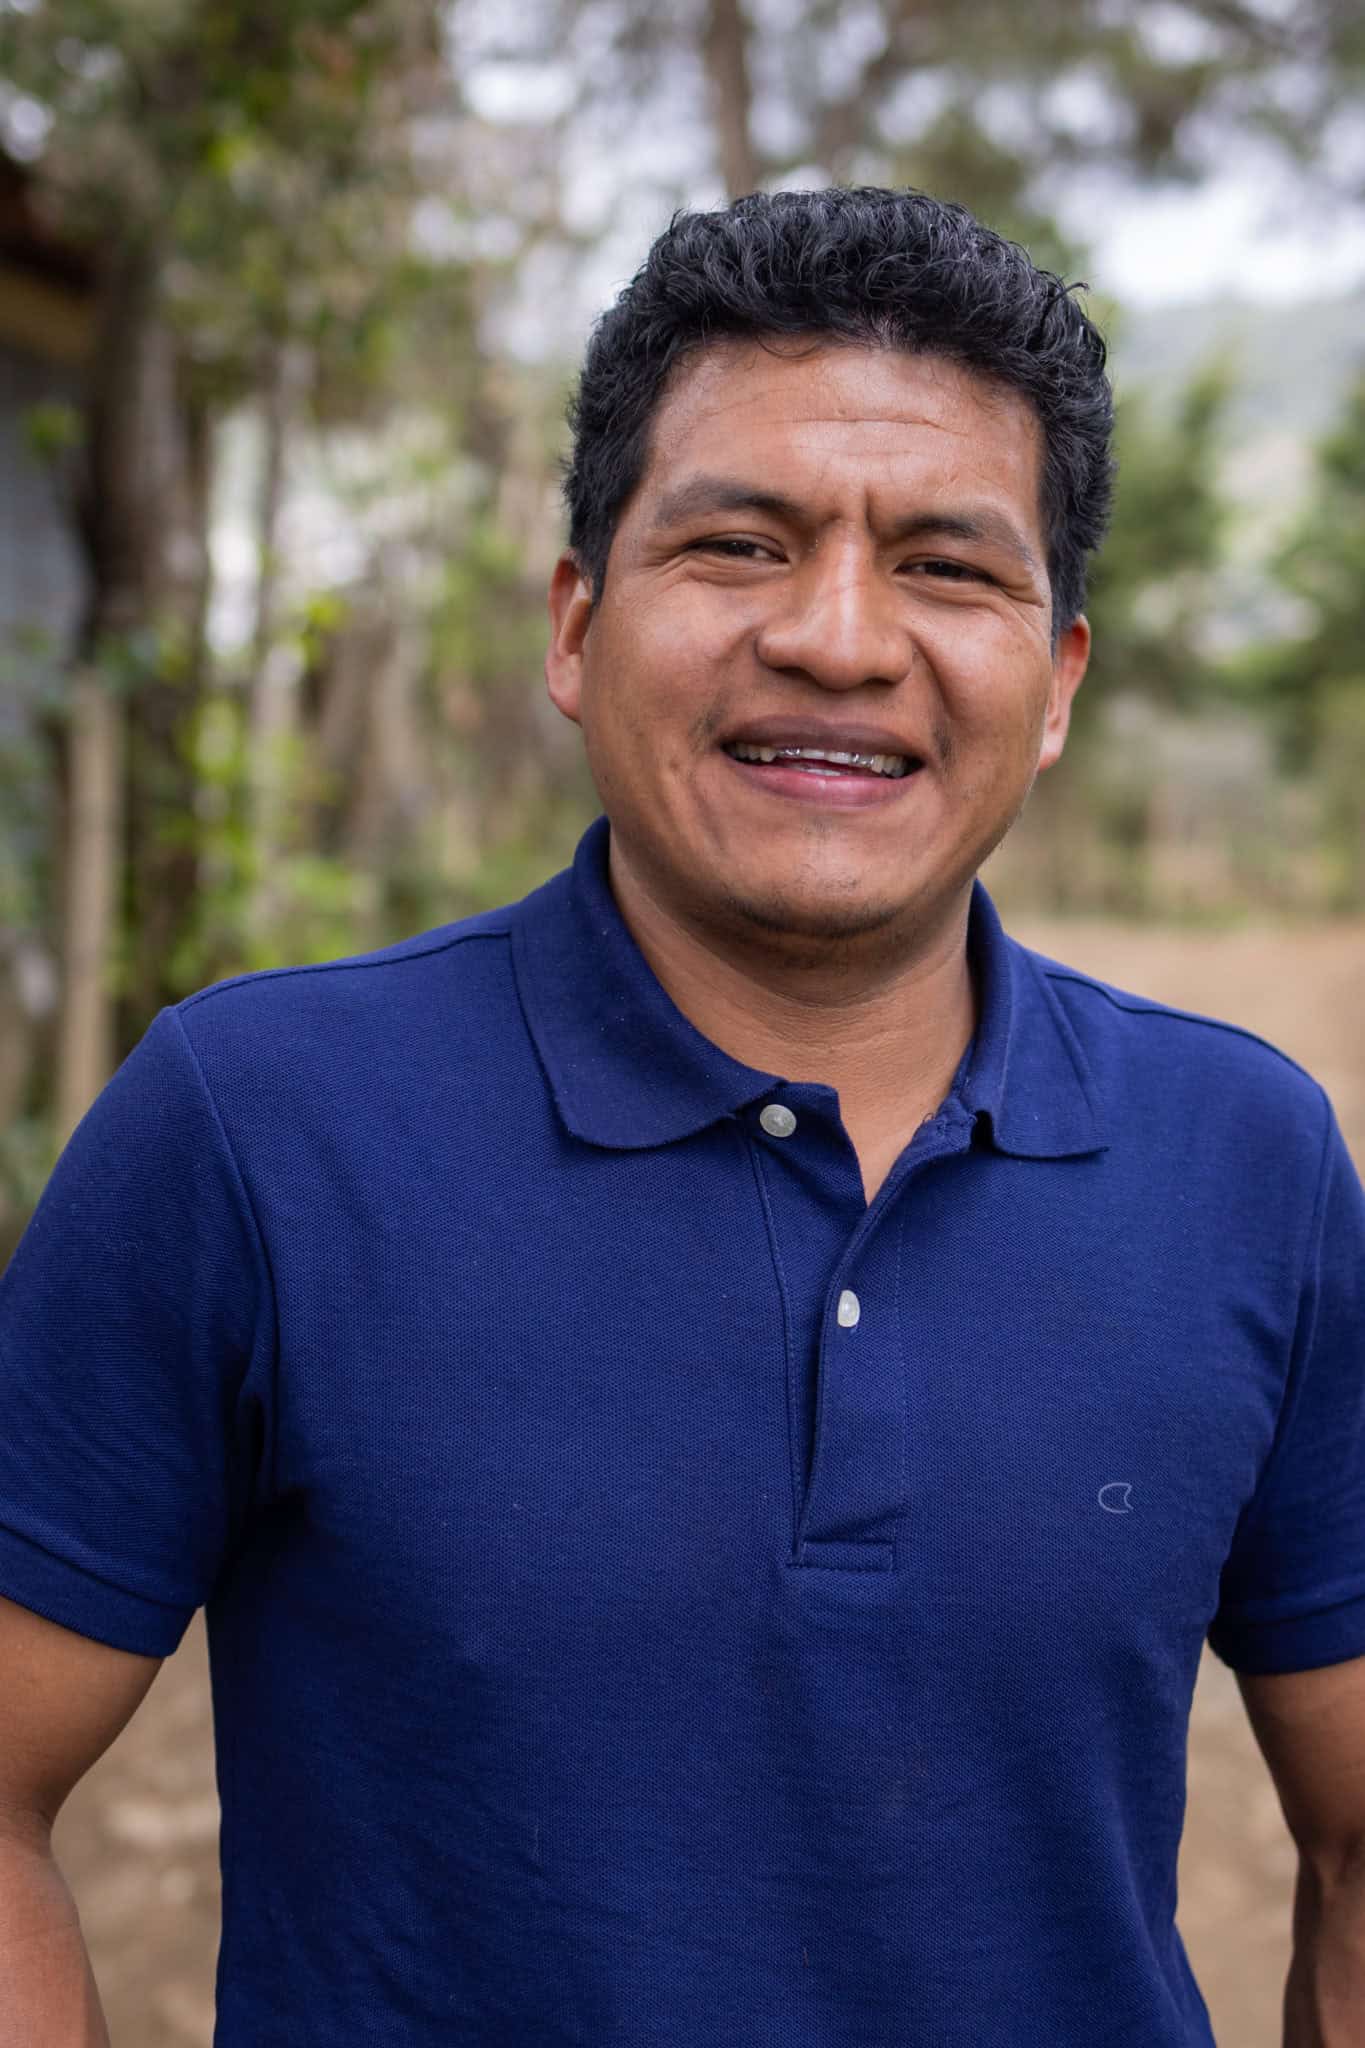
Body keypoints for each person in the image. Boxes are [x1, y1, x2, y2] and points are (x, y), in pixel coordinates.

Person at [1, 186, 1363, 2048]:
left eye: (948, 569)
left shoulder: (1249, 1162)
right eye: (737, 542)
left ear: (1052, 688)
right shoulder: (255, 1129)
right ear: (576, 625)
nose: (834, 638)